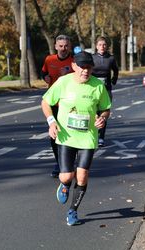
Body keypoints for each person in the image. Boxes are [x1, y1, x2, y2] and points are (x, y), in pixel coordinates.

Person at [41, 51, 111, 226]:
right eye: (82, 67)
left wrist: (102, 117)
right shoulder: (63, 82)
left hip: (88, 137)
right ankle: (64, 185)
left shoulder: (98, 86)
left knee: (82, 176)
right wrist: (51, 122)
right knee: (66, 176)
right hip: (66, 137)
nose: (85, 71)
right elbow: (45, 102)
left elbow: (106, 108)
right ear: (74, 66)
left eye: (89, 68)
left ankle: (73, 211)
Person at [41, 35, 74, 178]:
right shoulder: (50, 59)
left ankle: (68, 161)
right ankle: (59, 162)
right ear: (55, 46)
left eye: (66, 46)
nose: (63, 49)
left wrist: (69, 75)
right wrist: (45, 78)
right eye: (60, 46)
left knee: (70, 133)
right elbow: (44, 72)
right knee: (54, 133)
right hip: (54, 102)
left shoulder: (74, 61)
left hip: (70, 103)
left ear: (69, 46)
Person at [92, 36, 119, 147]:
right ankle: (93, 135)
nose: (102, 47)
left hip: (106, 89)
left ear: (106, 46)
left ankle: (101, 137)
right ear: (96, 46)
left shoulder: (110, 58)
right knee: (93, 112)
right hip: (93, 89)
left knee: (103, 113)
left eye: (104, 45)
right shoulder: (92, 57)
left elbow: (116, 70)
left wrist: (114, 80)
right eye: (99, 45)